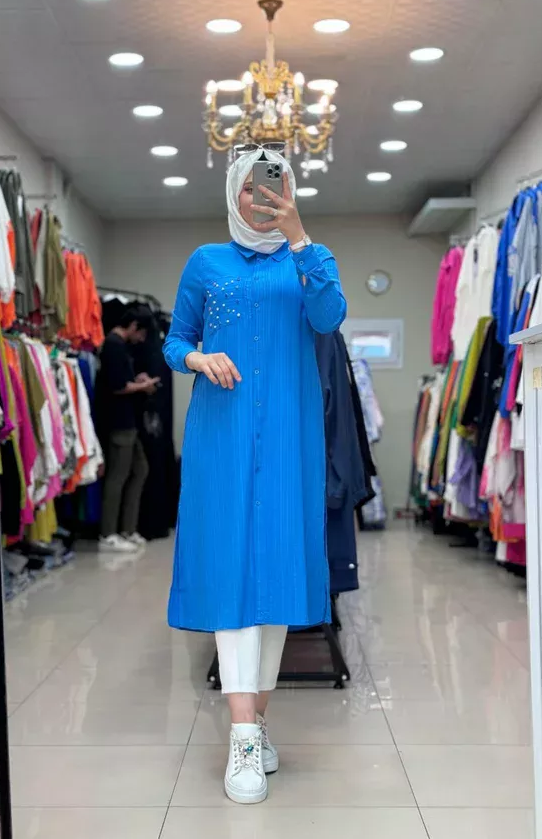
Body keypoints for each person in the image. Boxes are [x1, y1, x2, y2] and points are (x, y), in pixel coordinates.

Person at [163, 147, 347, 805]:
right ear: (233, 194)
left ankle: (257, 721)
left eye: (276, 187)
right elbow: (174, 339)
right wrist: (198, 358)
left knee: (276, 577)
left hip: (290, 436)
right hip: (223, 434)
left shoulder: (309, 260)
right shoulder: (205, 262)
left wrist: (299, 237)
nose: (263, 198)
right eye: (252, 188)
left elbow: (329, 317)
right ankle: (243, 736)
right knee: (230, 572)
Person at [98, 305, 159, 552]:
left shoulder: (120, 347)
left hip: (128, 420)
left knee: (140, 469)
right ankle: (108, 533)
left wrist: (138, 381)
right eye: (141, 333)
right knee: (118, 476)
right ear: (134, 326)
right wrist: (143, 386)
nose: (141, 339)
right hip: (118, 421)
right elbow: (117, 386)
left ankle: (127, 528)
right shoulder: (113, 345)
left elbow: (123, 381)